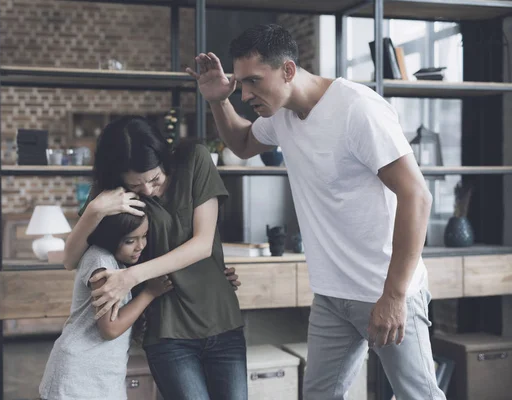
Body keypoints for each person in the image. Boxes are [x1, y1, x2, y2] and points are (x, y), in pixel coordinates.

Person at [186, 24, 446, 400]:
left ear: (288, 70)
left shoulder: (358, 109)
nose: (244, 94)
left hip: (384, 288)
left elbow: (417, 196)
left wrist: (393, 297)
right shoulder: (281, 114)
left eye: (253, 81)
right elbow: (242, 143)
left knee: (417, 396)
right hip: (331, 295)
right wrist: (216, 100)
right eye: (240, 83)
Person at [62, 116, 247, 400]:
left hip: (220, 319)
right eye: (137, 187)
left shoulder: (195, 160)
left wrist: (130, 277)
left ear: (163, 157)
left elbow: (202, 245)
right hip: (167, 330)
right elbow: (70, 259)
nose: (148, 191)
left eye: (154, 179)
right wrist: (95, 210)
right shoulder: (113, 190)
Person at [39, 210, 173, 400]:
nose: (140, 246)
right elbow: (109, 329)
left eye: (144, 236)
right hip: (77, 373)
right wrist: (149, 293)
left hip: (104, 373)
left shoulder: (120, 262)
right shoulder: (100, 260)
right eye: (130, 241)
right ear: (111, 237)